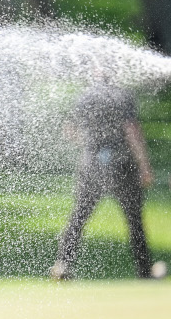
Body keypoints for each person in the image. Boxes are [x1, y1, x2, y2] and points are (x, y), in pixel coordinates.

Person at [51, 79, 157, 280]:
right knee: (134, 220)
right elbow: (132, 130)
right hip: (122, 164)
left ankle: (62, 264)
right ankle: (145, 272)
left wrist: (91, 145)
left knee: (79, 216)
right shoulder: (121, 95)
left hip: (91, 163)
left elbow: (69, 130)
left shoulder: (85, 96)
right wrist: (144, 166)